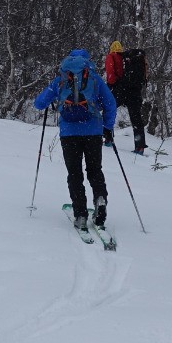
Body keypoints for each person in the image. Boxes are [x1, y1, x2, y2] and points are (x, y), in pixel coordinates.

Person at [33, 49, 118, 231]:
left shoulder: (61, 80)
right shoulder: (94, 80)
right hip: (93, 132)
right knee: (95, 170)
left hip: (69, 133)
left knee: (74, 173)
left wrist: (53, 97)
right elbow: (110, 103)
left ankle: (80, 214)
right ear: (87, 61)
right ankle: (100, 198)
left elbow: (39, 103)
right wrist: (108, 128)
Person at [103, 40, 149, 154]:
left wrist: (111, 86)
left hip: (121, 90)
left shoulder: (112, 57)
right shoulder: (130, 59)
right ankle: (140, 146)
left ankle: (108, 139)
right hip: (135, 91)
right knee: (136, 118)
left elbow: (111, 76)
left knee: (109, 111)